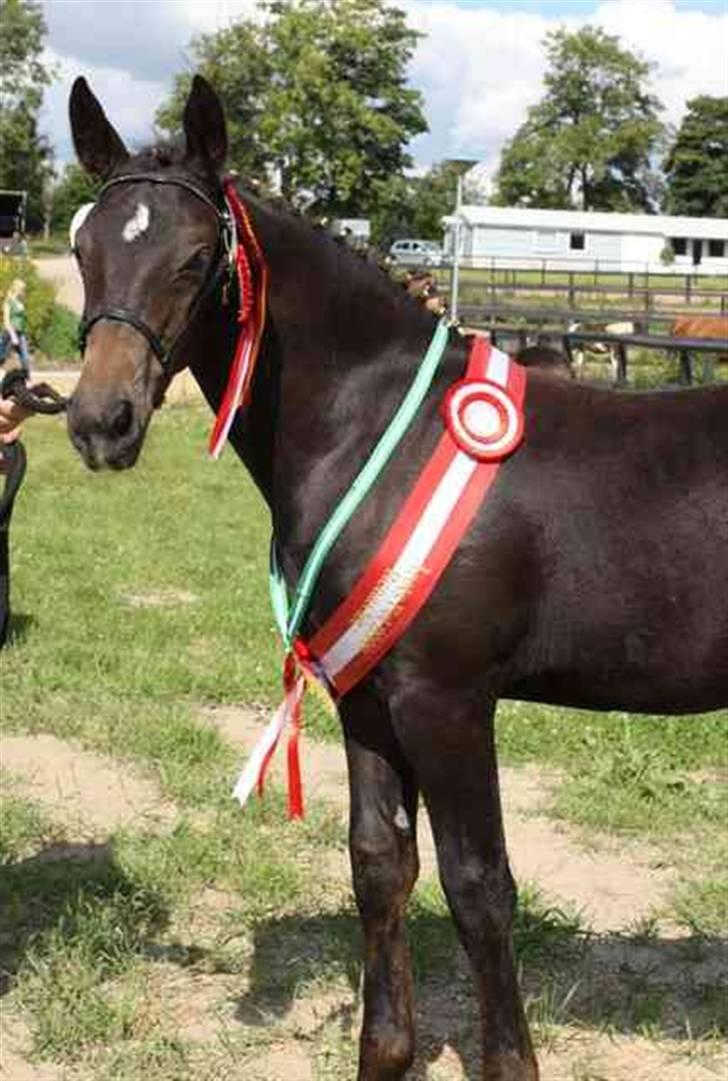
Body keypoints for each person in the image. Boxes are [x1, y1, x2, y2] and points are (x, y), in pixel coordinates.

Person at [1, 279, 32, 376]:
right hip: (10, 333)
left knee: (25, 357)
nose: (23, 291)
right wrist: (13, 335)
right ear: (16, 288)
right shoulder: (8, 301)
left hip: (20, 332)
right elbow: (6, 320)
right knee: (2, 356)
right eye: (22, 289)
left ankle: (26, 379)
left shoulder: (20, 302)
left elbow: (21, 320)